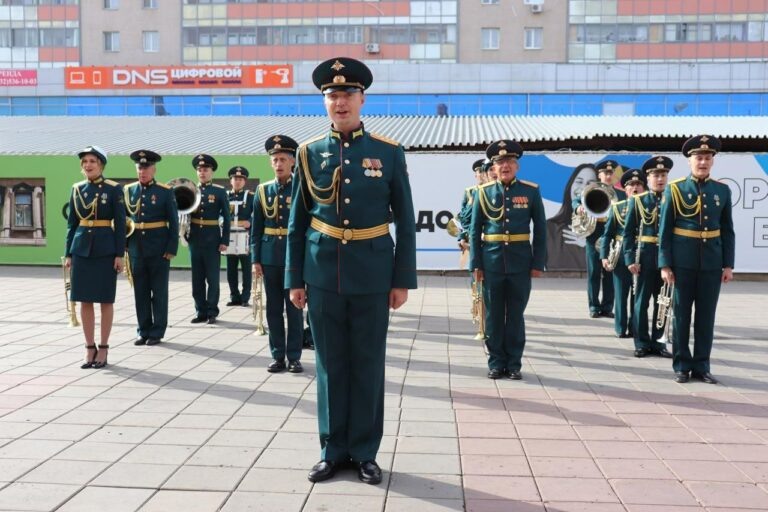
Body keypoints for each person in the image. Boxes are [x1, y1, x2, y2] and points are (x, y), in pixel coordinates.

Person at [286, 57, 417, 485]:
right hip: (322, 274)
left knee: (367, 364)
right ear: (324, 102)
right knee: (328, 365)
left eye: (347, 94)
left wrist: (401, 279)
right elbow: (297, 222)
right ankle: (331, 450)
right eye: (331, 95)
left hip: (373, 273)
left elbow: (406, 218)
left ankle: (364, 452)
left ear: (362, 99)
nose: (339, 102)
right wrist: (294, 279)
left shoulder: (388, 152)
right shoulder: (308, 153)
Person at [659, 135, 734, 384]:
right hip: (682, 263)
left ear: (713, 161)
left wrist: (728, 265)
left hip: (712, 264)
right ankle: (681, 364)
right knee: (681, 316)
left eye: (707, 158)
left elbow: (727, 230)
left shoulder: (722, 191)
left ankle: (702, 366)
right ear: (690, 161)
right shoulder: (676, 189)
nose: (703, 162)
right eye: (698, 158)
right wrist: (665, 264)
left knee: (706, 317)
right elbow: (665, 229)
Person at [469, 139, 547, 380]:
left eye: (510, 161)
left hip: (520, 263)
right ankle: (496, 363)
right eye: (500, 162)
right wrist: (476, 264)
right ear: (493, 167)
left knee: (515, 315)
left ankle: (514, 364)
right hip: (491, 263)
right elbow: (474, 231)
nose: (505, 166)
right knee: (492, 316)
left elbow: (541, 229)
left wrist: (537, 263)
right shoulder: (483, 193)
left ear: (517, 166)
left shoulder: (530, 191)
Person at [64, 146, 126, 369]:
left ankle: (104, 347)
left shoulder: (114, 189)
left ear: (101, 164)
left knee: (105, 299)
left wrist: (120, 254)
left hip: (105, 250)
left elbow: (120, 225)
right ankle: (89, 347)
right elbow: (71, 224)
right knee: (84, 299)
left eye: (92, 161)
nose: (88, 165)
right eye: (85, 162)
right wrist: (68, 253)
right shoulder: (76, 189)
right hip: (81, 250)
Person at [251, 135, 304, 373]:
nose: (279, 164)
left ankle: (294, 356)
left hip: (293, 258)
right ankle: (277, 356)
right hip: (270, 256)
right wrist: (255, 259)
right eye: (275, 159)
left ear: (292, 162)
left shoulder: (302, 188)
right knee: (272, 309)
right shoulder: (262, 191)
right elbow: (256, 228)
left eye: (283, 159)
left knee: (294, 308)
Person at [125, 150, 179, 346]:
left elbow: (173, 222)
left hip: (159, 249)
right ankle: (143, 329)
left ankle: (157, 331)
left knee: (159, 292)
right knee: (140, 292)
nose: (143, 171)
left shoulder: (165, 191)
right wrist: (124, 247)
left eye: (146, 167)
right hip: (136, 249)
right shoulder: (128, 190)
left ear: (154, 169)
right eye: (140, 167)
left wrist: (171, 247)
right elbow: (123, 221)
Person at [622, 157, 673, 359]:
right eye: (655, 175)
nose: (660, 179)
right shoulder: (638, 201)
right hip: (643, 256)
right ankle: (642, 342)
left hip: (666, 259)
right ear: (648, 178)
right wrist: (629, 259)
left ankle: (659, 343)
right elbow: (628, 233)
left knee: (663, 303)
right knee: (641, 303)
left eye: (663, 175)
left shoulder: (673, 198)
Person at [573, 160, 625, 318]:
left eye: (611, 173)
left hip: (612, 234)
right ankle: (594, 307)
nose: (608, 176)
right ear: (599, 175)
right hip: (594, 232)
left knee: (610, 271)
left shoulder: (621, 194)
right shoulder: (590, 189)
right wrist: (578, 207)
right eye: (605, 173)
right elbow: (577, 201)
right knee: (594, 272)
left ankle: (607, 307)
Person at [599, 169, 645, 338]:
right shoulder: (618, 208)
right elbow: (607, 234)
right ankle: (620, 328)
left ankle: (635, 327)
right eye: (631, 185)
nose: (635, 188)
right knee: (621, 293)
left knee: (637, 294)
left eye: (639, 184)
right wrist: (604, 256)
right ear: (625, 190)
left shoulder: (649, 207)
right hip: (620, 256)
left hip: (642, 254)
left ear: (644, 189)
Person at [188, 154, 230, 325]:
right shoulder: (191, 190)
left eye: (205, 170)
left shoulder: (219, 191)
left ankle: (212, 311)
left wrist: (224, 240)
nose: (202, 172)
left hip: (212, 239)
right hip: (195, 239)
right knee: (196, 279)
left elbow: (227, 217)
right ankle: (200, 311)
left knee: (212, 279)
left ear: (211, 172)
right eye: (199, 170)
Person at [546, 163, 595, 271]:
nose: (583, 188)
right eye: (579, 182)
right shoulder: (549, 228)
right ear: (570, 186)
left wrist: (589, 245)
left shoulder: (604, 227)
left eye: (590, 183)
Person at [225, 166, 253, 307]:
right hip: (229, 236)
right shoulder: (225, 196)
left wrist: (250, 222)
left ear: (245, 181)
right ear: (230, 181)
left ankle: (245, 297)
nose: (238, 181)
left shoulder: (251, 196)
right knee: (231, 269)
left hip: (245, 237)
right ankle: (234, 296)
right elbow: (219, 214)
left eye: (240, 179)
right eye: (235, 179)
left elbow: (257, 215)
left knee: (246, 269)